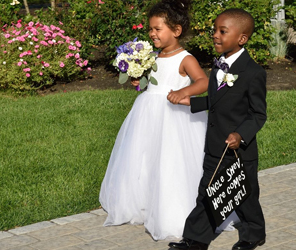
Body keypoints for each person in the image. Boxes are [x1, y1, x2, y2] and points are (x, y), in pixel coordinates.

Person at [99, 0, 238, 241]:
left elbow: (204, 82)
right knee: (144, 156)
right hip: (147, 114)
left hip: (174, 119)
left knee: (171, 160)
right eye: (150, 29)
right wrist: (138, 80)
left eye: (157, 29)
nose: (152, 33)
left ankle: (174, 208)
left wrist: (184, 92)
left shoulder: (185, 58)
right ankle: (144, 201)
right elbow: (154, 81)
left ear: (176, 30)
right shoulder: (152, 56)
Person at [168, 8, 267, 250]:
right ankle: (196, 240)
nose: (215, 35)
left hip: (238, 151)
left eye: (223, 31)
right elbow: (217, 101)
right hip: (214, 144)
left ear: (241, 38)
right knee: (207, 192)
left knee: (244, 194)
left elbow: (258, 114)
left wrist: (240, 135)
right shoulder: (217, 68)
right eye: (215, 30)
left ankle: (253, 233)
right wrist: (191, 102)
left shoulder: (253, 73)